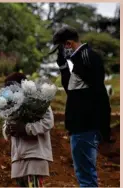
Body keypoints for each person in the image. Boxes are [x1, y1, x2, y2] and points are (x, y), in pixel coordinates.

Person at [49, 26, 112, 187]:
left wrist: (104, 130)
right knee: (84, 174)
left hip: (85, 128)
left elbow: (100, 93)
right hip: (80, 128)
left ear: (68, 44)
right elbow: (73, 91)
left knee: (86, 177)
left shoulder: (86, 58)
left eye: (61, 47)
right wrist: (63, 68)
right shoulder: (79, 61)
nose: (61, 51)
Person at [2, 72, 54, 187]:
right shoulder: (11, 105)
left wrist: (25, 128)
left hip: (35, 155)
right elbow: (6, 125)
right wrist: (9, 129)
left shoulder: (39, 101)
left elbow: (48, 122)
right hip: (18, 157)